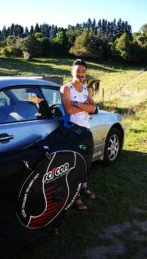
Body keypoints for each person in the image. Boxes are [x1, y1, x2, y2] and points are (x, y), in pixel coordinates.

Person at [60, 59, 96, 211]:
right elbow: (69, 111)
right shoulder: (66, 88)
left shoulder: (87, 90)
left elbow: (93, 108)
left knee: (87, 161)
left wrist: (77, 104)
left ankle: (84, 187)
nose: (81, 74)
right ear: (72, 72)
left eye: (83, 71)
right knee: (75, 165)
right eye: (78, 71)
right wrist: (85, 106)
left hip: (86, 130)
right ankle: (76, 198)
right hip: (72, 130)